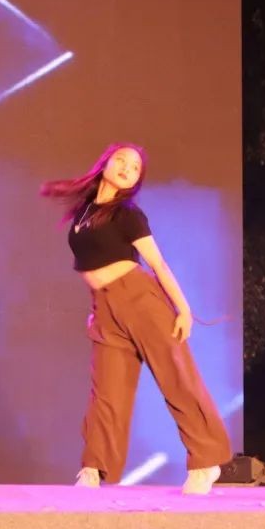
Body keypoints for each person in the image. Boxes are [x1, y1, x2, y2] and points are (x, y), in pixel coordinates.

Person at [41, 143, 231, 494]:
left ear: (136, 181)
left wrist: (183, 309)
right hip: (104, 308)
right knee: (107, 392)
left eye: (134, 167)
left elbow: (157, 264)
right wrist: (100, 306)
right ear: (105, 163)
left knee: (176, 379)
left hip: (140, 301)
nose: (127, 168)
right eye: (121, 160)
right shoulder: (85, 211)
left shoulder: (127, 215)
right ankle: (93, 468)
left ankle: (206, 461)